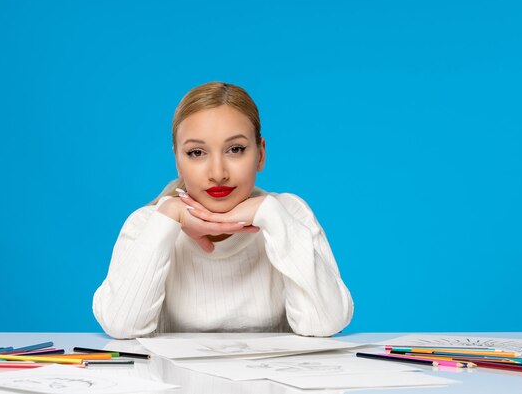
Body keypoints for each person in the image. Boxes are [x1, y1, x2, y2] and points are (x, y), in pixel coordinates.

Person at [93, 82, 353, 339]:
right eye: (196, 152)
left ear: (260, 154)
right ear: (178, 162)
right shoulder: (148, 223)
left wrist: (272, 215)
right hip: (179, 381)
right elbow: (121, 326)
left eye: (235, 149)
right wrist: (170, 215)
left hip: (270, 381)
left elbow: (325, 323)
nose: (218, 174)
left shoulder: (288, 213)